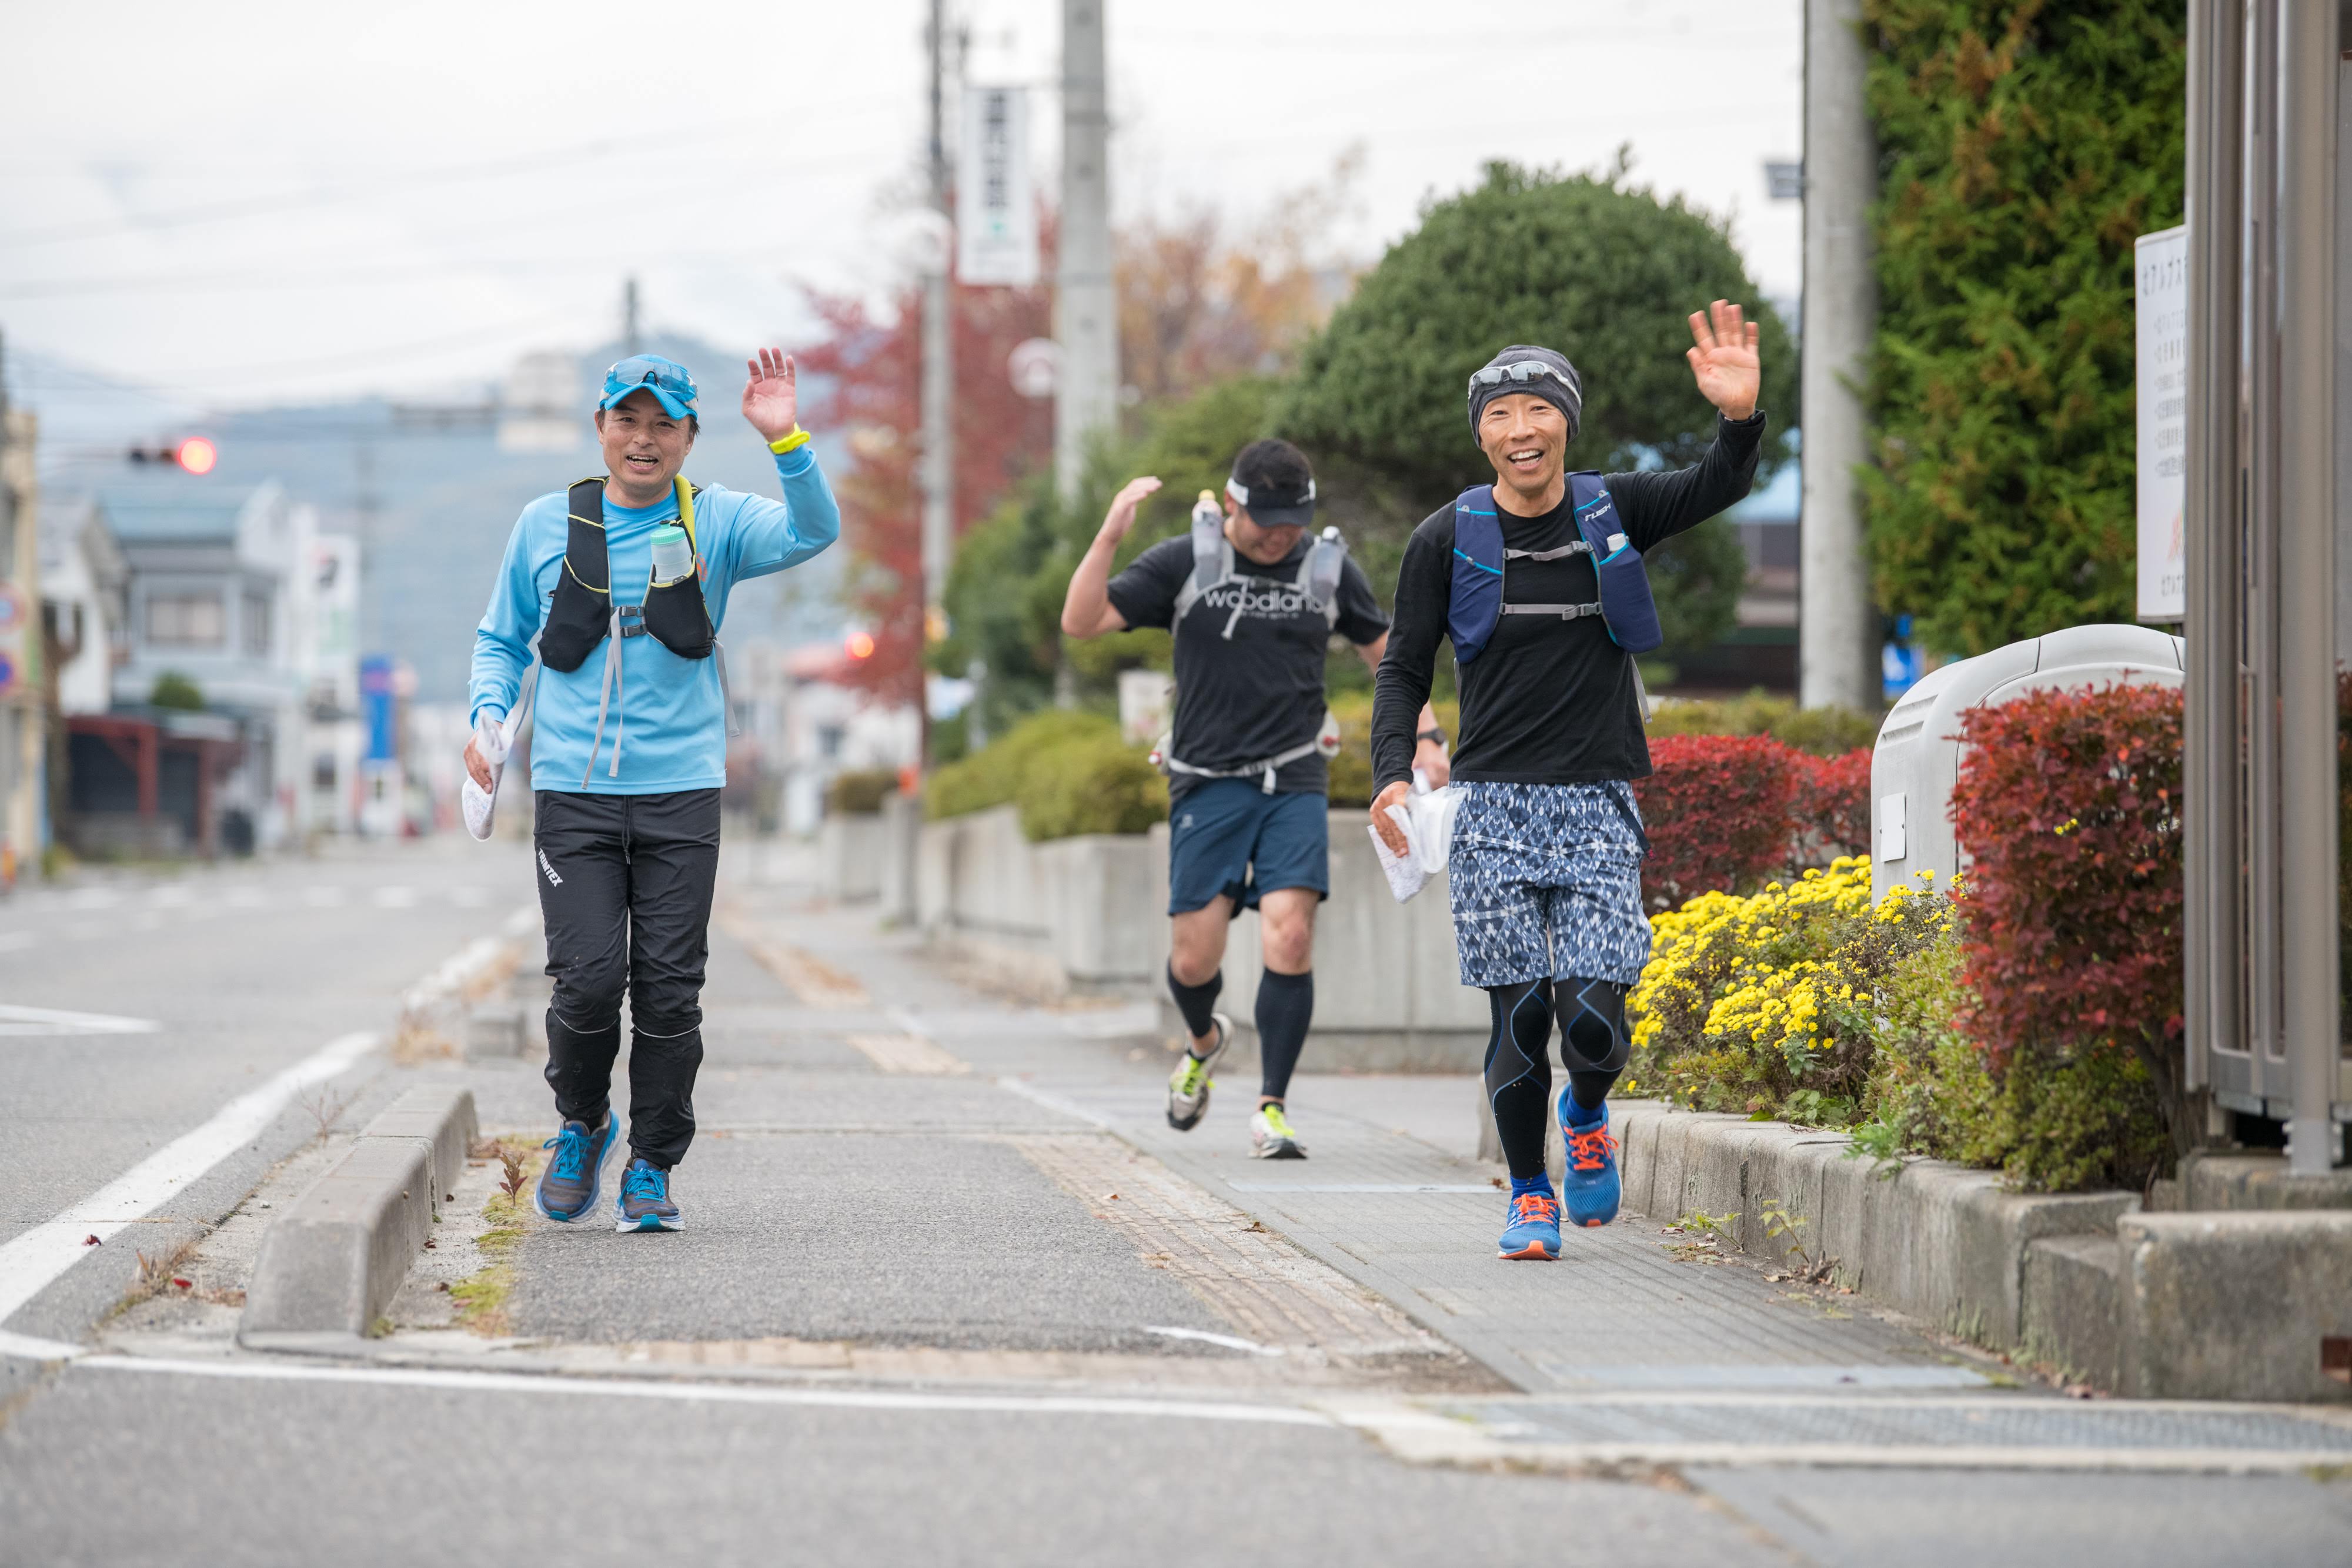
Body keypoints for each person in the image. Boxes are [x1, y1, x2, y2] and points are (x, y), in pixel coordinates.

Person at [1370, 302, 1765, 1259]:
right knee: (1520, 1011)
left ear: (1565, 422)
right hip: (1493, 805)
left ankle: (1587, 1113)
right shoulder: (1447, 537)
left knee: (1591, 1016)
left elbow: (1716, 482)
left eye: (1537, 412)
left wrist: (1740, 418)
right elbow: (1402, 664)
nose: (1519, 431)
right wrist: (1389, 774)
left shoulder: (1610, 510)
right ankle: (1531, 1193)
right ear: (1482, 436)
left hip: (1596, 797)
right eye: (1500, 417)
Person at [466, 350, 839, 1232]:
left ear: (688, 437)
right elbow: (501, 640)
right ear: (600, 428)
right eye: (626, 421)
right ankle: (583, 1121)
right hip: (573, 793)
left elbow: (815, 529)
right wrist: (488, 717)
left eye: (662, 424)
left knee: (670, 991)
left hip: (681, 794)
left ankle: (653, 1164)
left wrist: (786, 436)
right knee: (589, 982)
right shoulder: (544, 526)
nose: (643, 440)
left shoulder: (719, 522)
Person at [1061, 440, 1447, 1158]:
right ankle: (1204, 1042)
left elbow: (1386, 655)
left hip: (1294, 774)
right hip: (1206, 782)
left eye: (1292, 521)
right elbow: (1082, 623)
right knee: (1192, 962)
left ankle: (1272, 1108)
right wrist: (1111, 532)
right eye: (1266, 520)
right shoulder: (1186, 561)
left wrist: (1428, 735)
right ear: (1232, 504)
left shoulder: (1326, 568)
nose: (1280, 535)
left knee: (1290, 934)